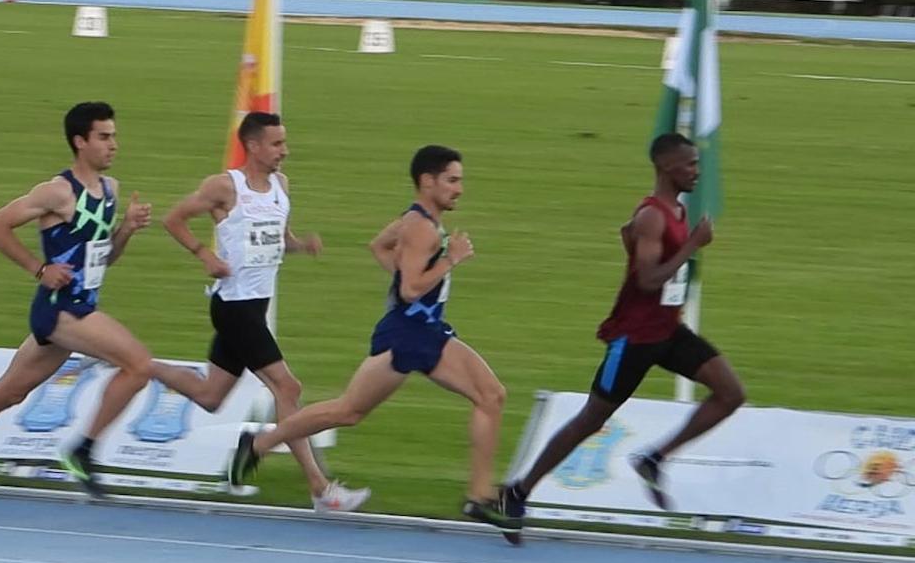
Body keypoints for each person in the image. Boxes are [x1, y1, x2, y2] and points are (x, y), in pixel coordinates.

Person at [227, 145, 516, 535]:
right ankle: (479, 496)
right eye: (452, 180)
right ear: (427, 181)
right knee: (484, 396)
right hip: (412, 332)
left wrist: (403, 276)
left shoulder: (414, 220)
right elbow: (413, 289)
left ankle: (259, 445)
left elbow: (378, 246)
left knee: (352, 411)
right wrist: (451, 260)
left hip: (419, 329)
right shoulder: (421, 228)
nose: (459, 189)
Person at [0, 101, 153, 506]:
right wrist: (39, 269)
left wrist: (126, 228)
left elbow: (104, 257)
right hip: (61, 309)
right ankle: (82, 451)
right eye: (104, 137)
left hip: (78, 304)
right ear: (80, 142)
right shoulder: (57, 192)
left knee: (9, 392)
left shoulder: (110, 191)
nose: (114, 145)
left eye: (114, 136)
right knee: (140, 365)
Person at [505, 133, 745, 537]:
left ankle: (653, 459)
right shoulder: (653, 215)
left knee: (731, 393)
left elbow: (642, 251)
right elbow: (649, 279)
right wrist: (692, 246)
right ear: (667, 167)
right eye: (690, 164)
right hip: (634, 339)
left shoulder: (675, 211)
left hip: (668, 331)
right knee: (591, 419)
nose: (697, 171)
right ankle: (518, 491)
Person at [154, 111, 369, 512]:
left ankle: (140, 366)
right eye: (276, 144)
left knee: (210, 395)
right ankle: (320, 489)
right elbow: (174, 219)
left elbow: (276, 240)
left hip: (257, 304)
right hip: (234, 308)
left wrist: (301, 245)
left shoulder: (281, 187)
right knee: (288, 388)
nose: (284, 151)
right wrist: (204, 254)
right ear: (252, 146)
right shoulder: (224, 187)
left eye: (284, 143)